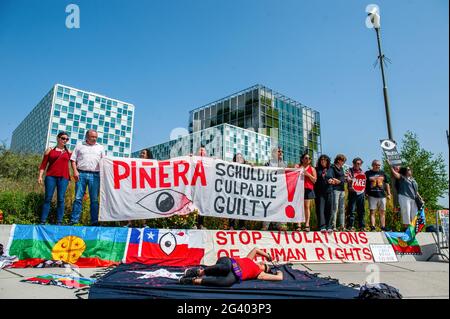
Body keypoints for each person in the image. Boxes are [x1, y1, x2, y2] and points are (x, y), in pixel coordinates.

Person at [178, 247, 283, 287]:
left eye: (265, 267)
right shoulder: (249, 259)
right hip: (228, 262)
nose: (262, 265)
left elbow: (279, 278)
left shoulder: (260, 274)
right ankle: (200, 272)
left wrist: (279, 271)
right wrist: (267, 256)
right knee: (225, 267)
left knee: (227, 282)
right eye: (263, 263)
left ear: (264, 270)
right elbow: (256, 249)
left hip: (234, 275)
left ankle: (194, 281)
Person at [69, 129, 105, 226]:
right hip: (81, 174)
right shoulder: (79, 145)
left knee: (94, 199)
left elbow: (104, 162)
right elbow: (73, 160)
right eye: (92, 137)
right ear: (87, 137)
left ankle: (94, 221)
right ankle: (74, 221)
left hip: (95, 175)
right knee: (78, 198)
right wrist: (75, 171)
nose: (94, 139)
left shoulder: (101, 147)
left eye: (96, 137)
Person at [38, 131, 72, 225]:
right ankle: (43, 221)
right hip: (50, 177)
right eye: (63, 138)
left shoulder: (68, 152)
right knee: (48, 198)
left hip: (63, 178)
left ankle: (59, 222)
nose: (65, 140)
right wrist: (40, 176)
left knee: (61, 199)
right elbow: (43, 164)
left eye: (66, 139)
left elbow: (74, 163)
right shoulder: (50, 150)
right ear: (58, 138)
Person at [125, 149, 153, 227]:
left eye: (143, 153)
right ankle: (129, 223)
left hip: (145, 188)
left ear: (148, 156)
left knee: (144, 205)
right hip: (135, 187)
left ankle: (144, 224)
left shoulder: (152, 164)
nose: (141, 154)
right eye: (141, 153)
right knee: (131, 204)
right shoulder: (134, 163)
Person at [262, 147, 287, 231]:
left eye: (281, 151)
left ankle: (280, 224)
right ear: (273, 153)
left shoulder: (284, 163)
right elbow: (263, 172)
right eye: (279, 151)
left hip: (280, 189)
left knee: (281, 206)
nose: (281, 153)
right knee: (269, 206)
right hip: (271, 188)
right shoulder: (269, 162)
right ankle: (266, 225)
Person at [365, 160, 391, 231]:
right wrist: (365, 193)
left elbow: (387, 184)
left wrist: (389, 193)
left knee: (382, 212)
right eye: (376, 165)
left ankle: (383, 226)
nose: (378, 166)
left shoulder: (383, 173)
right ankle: (372, 227)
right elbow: (364, 184)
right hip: (372, 195)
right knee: (372, 211)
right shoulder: (367, 173)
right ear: (372, 165)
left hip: (382, 195)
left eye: (379, 165)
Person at [296, 153, 316, 232]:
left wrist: (308, 174)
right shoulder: (298, 167)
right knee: (298, 206)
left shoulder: (312, 169)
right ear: (302, 159)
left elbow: (314, 180)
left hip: (308, 188)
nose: (307, 159)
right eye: (306, 158)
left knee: (306, 207)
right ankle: (298, 224)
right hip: (298, 188)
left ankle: (307, 224)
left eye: (309, 158)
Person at [314, 154, 334, 232]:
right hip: (319, 192)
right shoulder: (316, 169)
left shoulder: (331, 169)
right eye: (321, 159)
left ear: (327, 161)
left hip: (329, 192)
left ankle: (329, 226)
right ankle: (322, 226)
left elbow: (337, 180)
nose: (323, 161)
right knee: (320, 210)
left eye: (325, 159)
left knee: (329, 209)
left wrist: (332, 181)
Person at [346, 157, 367, 232]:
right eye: (357, 163)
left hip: (361, 193)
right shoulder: (349, 170)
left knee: (361, 210)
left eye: (360, 163)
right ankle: (350, 226)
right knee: (352, 210)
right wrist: (355, 179)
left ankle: (362, 226)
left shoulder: (362, 172)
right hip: (353, 193)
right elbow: (348, 179)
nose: (358, 165)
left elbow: (364, 182)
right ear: (353, 163)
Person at [229, 153, 248, 230]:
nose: (239, 158)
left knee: (242, 208)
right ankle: (231, 225)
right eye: (237, 157)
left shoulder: (247, 168)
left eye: (241, 157)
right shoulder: (231, 167)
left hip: (243, 192)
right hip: (233, 191)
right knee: (232, 208)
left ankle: (241, 225)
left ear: (243, 160)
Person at [329, 154, 347, 232]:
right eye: (343, 161)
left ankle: (342, 226)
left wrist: (339, 181)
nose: (343, 162)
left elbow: (343, 179)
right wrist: (339, 180)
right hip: (335, 190)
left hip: (342, 190)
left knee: (342, 208)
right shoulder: (332, 167)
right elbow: (332, 178)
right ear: (339, 160)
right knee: (335, 208)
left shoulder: (342, 168)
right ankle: (333, 225)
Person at [195, 145, 208, 229]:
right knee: (194, 206)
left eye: (203, 150)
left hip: (204, 188)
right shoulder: (193, 160)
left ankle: (200, 223)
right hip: (195, 187)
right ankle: (194, 223)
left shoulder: (209, 162)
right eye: (200, 150)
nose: (202, 152)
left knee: (202, 206)